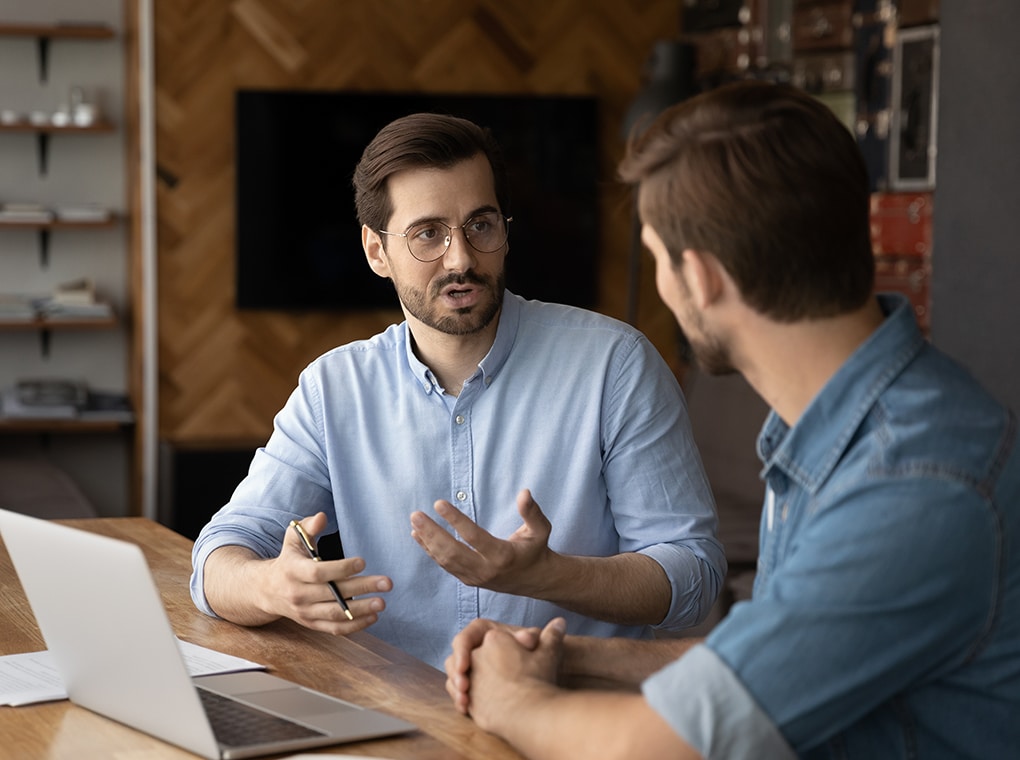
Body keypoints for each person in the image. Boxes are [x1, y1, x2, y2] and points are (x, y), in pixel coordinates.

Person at [444, 81, 1020, 758]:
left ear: (704, 276)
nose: (660, 283)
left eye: (657, 258)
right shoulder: (838, 428)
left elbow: (666, 748)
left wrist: (512, 699)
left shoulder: (910, 483)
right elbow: (764, 669)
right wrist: (563, 658)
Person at [189, 112, 726, 670]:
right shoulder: (334, 390)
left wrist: (552, 575)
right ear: (376, 252)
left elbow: (694, 574)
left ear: (506, 230)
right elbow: (219, 557)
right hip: (397, 720)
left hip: (565, 712)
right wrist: (269, 586)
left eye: (481, 224)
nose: (462, 258)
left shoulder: (615, 365)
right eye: (428, 234)